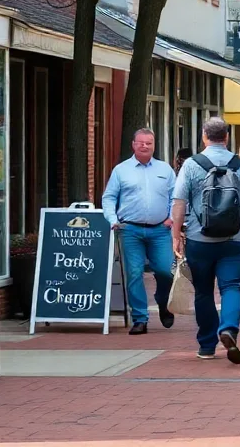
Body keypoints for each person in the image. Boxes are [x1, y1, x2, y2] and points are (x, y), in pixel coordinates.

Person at [171, 117, 240, 363]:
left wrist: (176, 235)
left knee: (203, 291)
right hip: (234, 239)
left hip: (199, 239)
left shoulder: (191, 165)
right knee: (231, 286)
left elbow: (179, 203)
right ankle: (229, 328)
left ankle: (207, 345)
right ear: (227, 137)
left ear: (204, 136)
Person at [101, 128, 176, 336]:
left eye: (149, 143)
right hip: (130, 230)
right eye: (141, 142)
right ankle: (140, 318)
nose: (145, 146)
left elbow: (176, 197)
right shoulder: (121, 170)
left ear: (154, 145)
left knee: (164, 271)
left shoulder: (165, 169)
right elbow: (109, 197)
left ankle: (163, 301)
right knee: (134, 274)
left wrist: (171, 217)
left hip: (160, 229)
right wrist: (113, 219)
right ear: (133, 145)